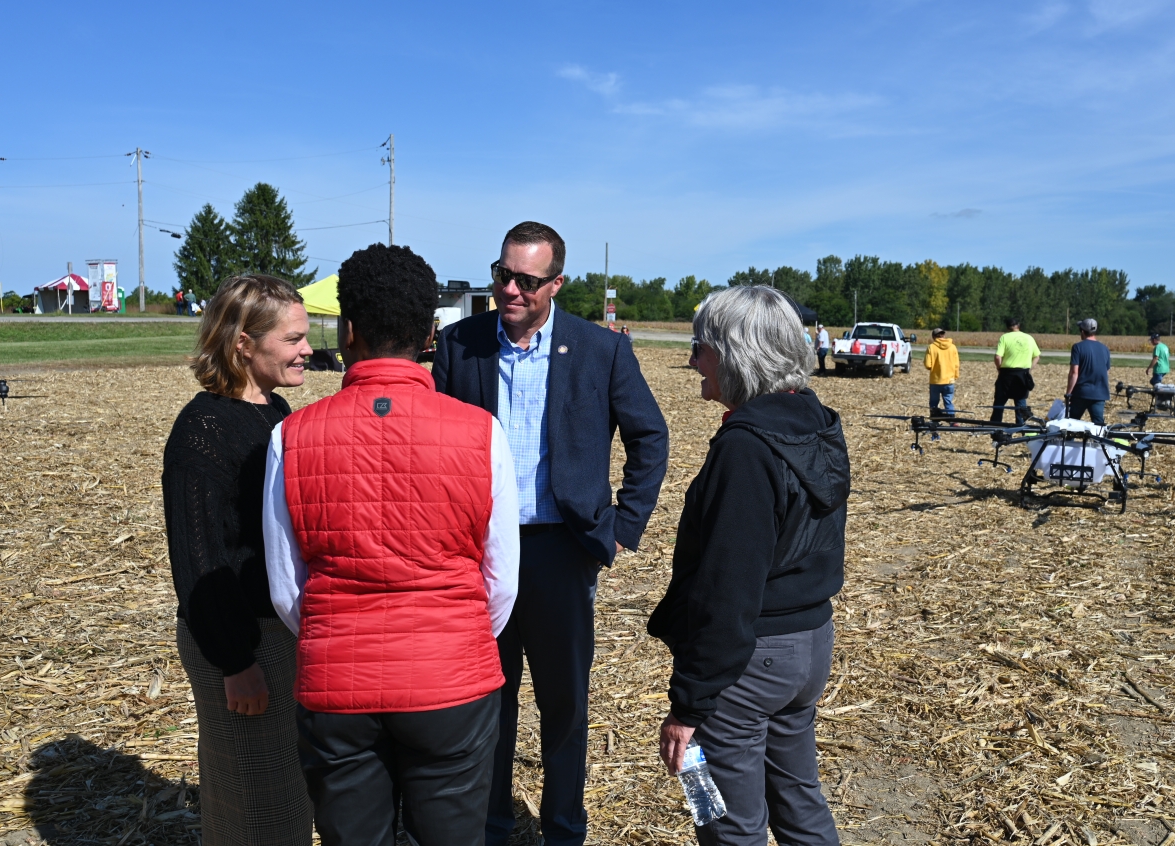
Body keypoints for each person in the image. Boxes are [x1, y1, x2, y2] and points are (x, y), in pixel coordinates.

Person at [263, 244, 519, 846]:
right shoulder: (482, 432)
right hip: (450, 678)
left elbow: (285, 587)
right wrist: (452, 636)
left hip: (336, 683)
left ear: (347, 330)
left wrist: (335, 634)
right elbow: (501, 581)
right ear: (431, 332)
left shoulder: (290, 436)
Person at [433, 221, 669, 846]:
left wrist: (624, 524)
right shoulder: (460, 345)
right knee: (490, 702)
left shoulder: (600, 349)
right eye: (502, 274)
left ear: (556, 283)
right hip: (480, 551)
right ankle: (491, 826)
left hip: (563, 551)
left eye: (526, 280)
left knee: (564, 708)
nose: (510, 289)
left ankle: (564, 829)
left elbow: (650, 436)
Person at [650, 286, 849, 846]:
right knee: (799, 801)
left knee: (725, 823)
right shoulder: (818, 422)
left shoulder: (746, 446)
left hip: (750, 660)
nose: (692, 361)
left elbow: (727, 587)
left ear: (735, 353)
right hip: (809, 644)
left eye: (700, 346)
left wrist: (689, 704)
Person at [162, 274, 314, 845]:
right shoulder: (204, 428)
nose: (307, 350)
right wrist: (235, 662)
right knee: (254, 801)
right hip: (241, 638)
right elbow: (200, 560)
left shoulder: (276, 415)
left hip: (278, 631)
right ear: (243, 344)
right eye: (294, 339)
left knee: (284, 791)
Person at [991, 318, 1041, 424]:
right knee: (1020, 403)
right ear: (1019, 325)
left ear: (1007, 326)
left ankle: (995, 425)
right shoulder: (1029, 338)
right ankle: (1021, 426)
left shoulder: (1004, 337)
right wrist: (1029, 369)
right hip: (1022, 374)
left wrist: (999, 368)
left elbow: (997, 357)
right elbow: (1037, 356)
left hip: (1006, 373)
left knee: (999, 402)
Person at [1066, 317, 1112, 425]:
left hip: (1081, 393)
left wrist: (1068, 393)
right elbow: (1106, 372)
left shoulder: (1078, 347)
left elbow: (1074, 373)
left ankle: (1070, 441)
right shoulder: (1105, 349)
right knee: (1098, 426)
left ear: (1082, 331)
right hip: (1100, 394)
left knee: (1071, 424)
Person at [925, 327, 959, 429]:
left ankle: (935, 421)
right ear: (944, 335)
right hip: (949, 380)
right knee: (948, 401)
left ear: (934, 337)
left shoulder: (931, 347)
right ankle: (952, 421)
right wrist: (955, 376)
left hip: (935, 380)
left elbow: (928, 365)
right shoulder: (952, 347)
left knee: (934, 402)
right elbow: (956, 364)